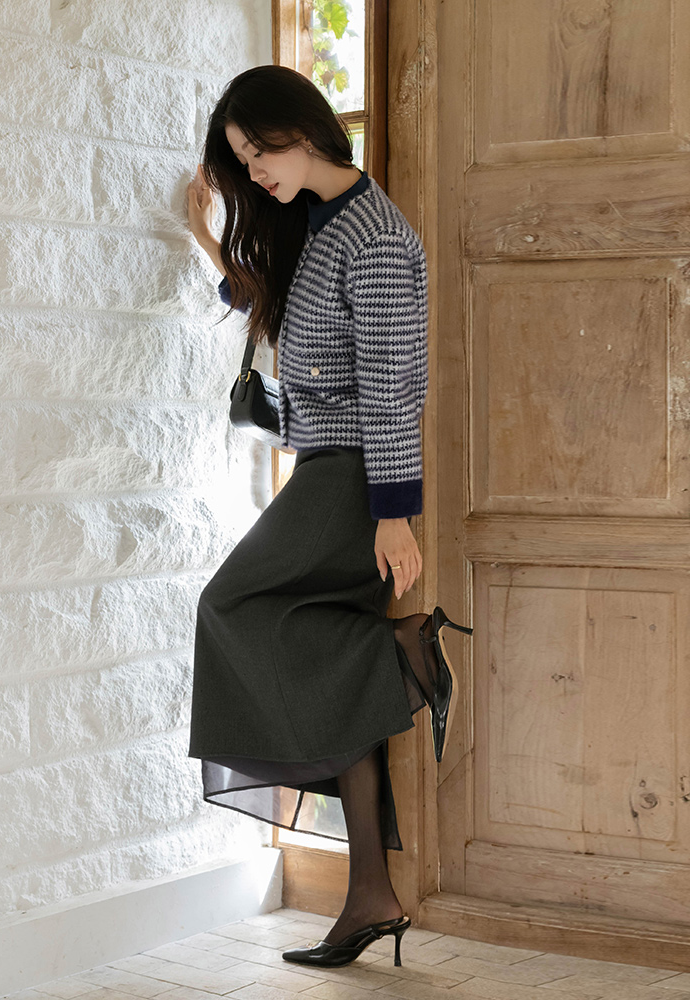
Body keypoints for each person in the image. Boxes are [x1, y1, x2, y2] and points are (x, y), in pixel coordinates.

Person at [184, 65, 472, 968]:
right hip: (326, 470)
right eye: (242, 161)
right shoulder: (312, 221)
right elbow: (274, 311)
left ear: (303, 130)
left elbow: (390, 389)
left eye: (260, 151)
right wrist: (207, 238)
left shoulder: (375, 237)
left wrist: (394, 514)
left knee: (230, 607)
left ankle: (401, 651)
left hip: (354, 480)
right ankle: (370, 896)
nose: (256, 171)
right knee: (334, 677)